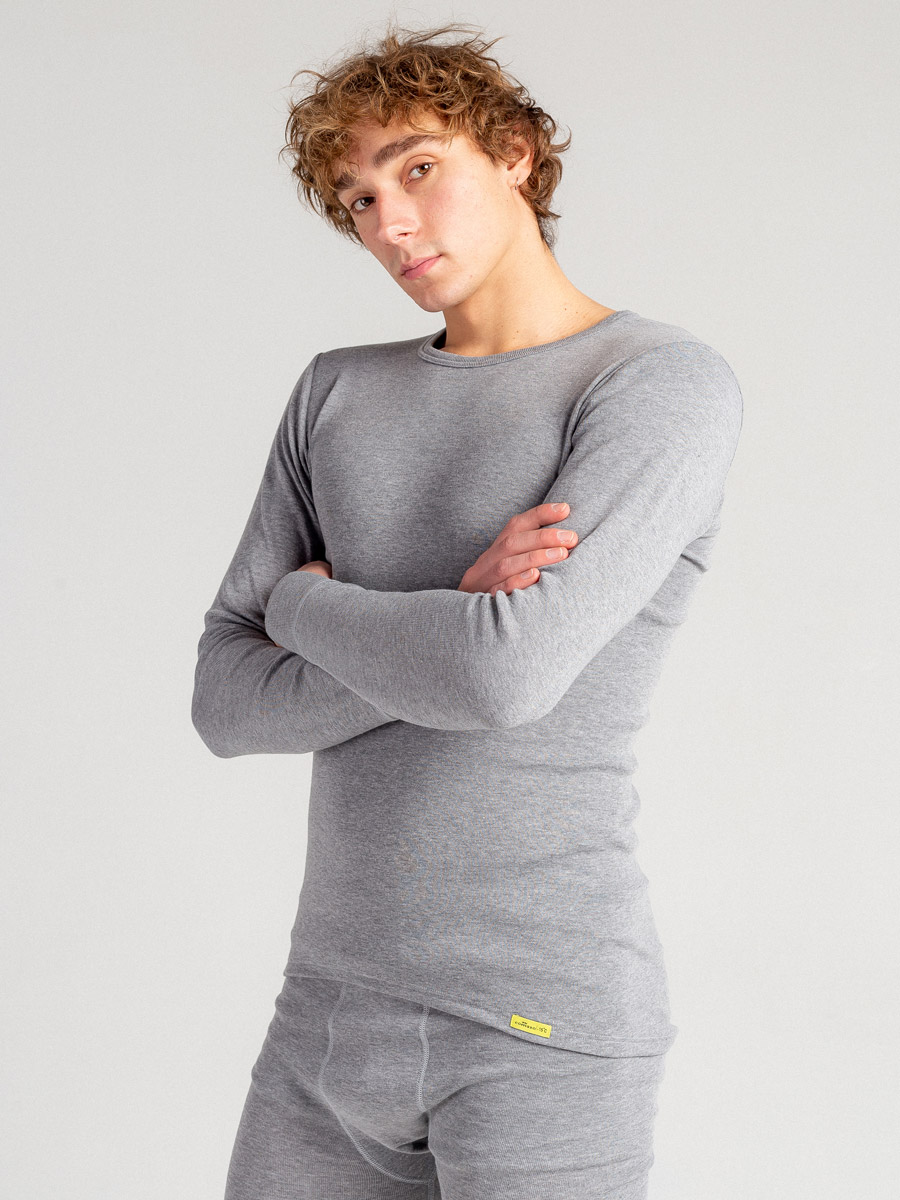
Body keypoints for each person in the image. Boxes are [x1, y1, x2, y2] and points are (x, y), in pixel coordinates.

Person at [191, 21, 743, 1200]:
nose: (390, 222)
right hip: (325, 1014)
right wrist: (450, 614)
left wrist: (299, 603)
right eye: (358, 198)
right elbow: (225, 704)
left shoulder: (654, 384)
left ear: (517, 154)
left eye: (419, 168)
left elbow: (502, 679)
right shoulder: (335, 391)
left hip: (538, 1025)